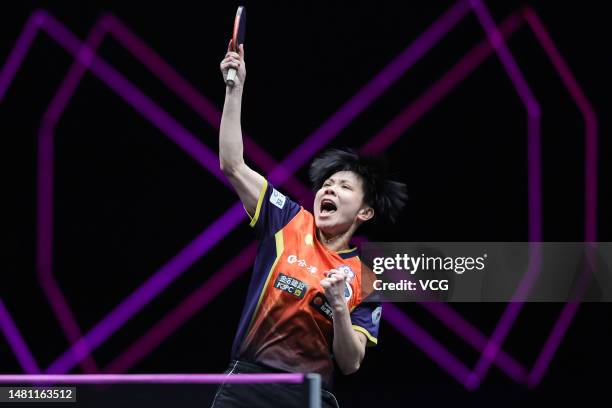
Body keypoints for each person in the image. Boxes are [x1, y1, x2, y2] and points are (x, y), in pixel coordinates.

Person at [210, 40, 408, 408]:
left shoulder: (364, 280)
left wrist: (337, 305)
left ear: (365, 213)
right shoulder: (286, 219)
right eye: (327, 184)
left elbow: (350, 362)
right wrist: (233, 89)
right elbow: (232, 164)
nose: (329, 189)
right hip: (245, 386)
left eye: (344, 186)